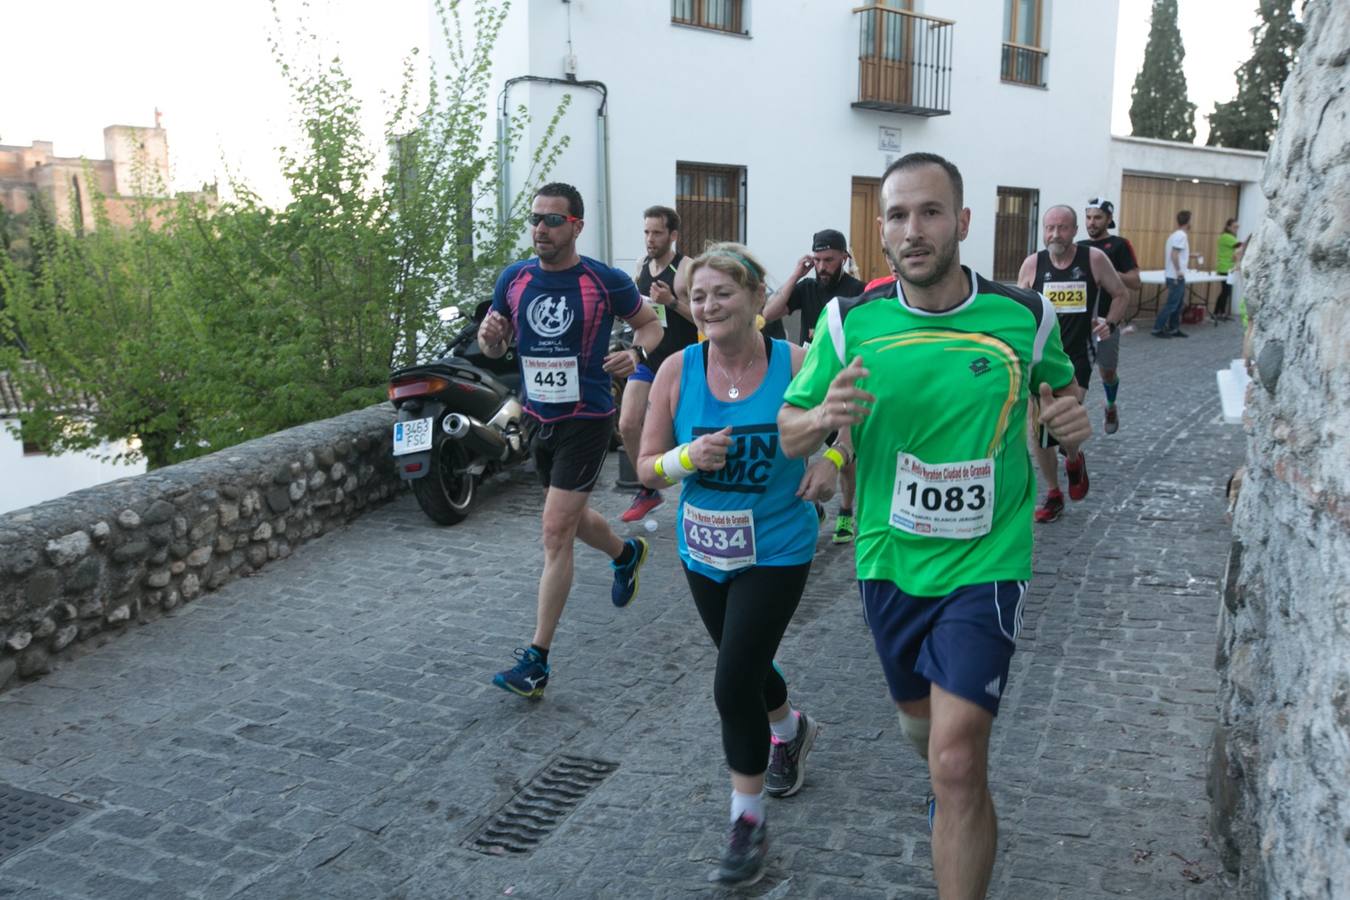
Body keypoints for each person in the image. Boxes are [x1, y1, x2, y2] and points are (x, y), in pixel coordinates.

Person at [778, 152, 1091, 900]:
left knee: (956, 763)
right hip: (889, 558)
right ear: (880, 231)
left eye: (929, 212)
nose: (912, 230)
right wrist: (823, 420)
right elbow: (790, 429)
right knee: (923, 736)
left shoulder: (1023, 314)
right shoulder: (849, 321)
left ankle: (957, 803)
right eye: (897, 215)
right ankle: (949, 789)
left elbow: (1063, 396)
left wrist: (1070, 425)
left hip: (988, 559)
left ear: (963, 222)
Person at [637, 242, 839, 886]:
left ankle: (746, 823)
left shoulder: (798, 363)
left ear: (757, 298)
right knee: (743, 664)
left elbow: (847, 426)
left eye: (723, 293)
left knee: (730, 683)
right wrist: (688, 458)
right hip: (702, 549)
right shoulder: (676, 371)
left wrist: (829, 464)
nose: (709, 305)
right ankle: (790, 727)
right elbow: (643, 468)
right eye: (698, 296)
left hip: (778, 546)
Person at [478, 182, 663, 699]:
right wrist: (491, 340)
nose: (541, 228)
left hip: (588, 418)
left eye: (553, 220)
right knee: (575, 519)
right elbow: (494, 347)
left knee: (555, 530)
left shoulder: (603, 280)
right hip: (540, 419)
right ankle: (626, 555)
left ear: (575, 225)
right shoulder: (513, 279)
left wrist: (636, 355)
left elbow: (651, 326)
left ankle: (536, 661)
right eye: (535, 219)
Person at [1018, 205, 1127, 523]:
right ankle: (1053, 493)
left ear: (1075, 229)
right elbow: (1017, 310)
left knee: (1061, 415)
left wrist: (1111, 322)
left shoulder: (1093, 260)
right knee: (1039, 427)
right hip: (1041, 357)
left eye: (1062, 228)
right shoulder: (1032, 265)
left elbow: (1120, 294)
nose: (1055, 234)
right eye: (1049, 228)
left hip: (1077, 355)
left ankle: (1074, 457)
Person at [763, 228, 868, 544]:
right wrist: (797, 273)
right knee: (800, 450)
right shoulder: (806, 287)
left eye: (830, 260)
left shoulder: (857, 292)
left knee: (844, 452)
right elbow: (767, 314)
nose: (823, 267)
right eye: (818, 260)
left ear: (844, 258)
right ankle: (810, 506)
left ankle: (846, 513)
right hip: (807, 382)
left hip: (840, 383)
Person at [618, 205, 698, 523]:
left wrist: (672, 303)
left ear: (673, 235)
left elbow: (705, 318)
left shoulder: (687, 270)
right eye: (646, 232)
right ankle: (648, 489)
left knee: (686, 434)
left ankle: (702, 496)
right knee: (626, 423)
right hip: (647, 356)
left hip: (683, 362)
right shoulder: (640, 266)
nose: (650, 239)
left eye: (657, 233)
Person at [1079, 198, 1140, 434]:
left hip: (1107, 320)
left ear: (1109, 219)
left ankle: (1111, 405)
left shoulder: (1119, 245)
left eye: (1098, 217)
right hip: (1080, 322)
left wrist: (1107, 272)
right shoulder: (1079, 247)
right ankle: (1070, 422)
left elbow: (1135, 281)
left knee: (1107, 372)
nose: (1092, 223)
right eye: (1088, 217)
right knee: (1073, 372)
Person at [1153, 210, 1192, 338]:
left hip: (1172, 274)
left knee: (1178, 304)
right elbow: (1174, 254)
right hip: (1175, 276)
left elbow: (1178, 253)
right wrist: (1179, 271)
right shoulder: (1181, 235)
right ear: (1188, 221)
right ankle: (1157, 329)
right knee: (1172, 304)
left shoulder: (1175, 235)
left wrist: (1192, 255)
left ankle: (1174, 328)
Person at [1214, 217, 1243, 321]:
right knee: (1225, 292)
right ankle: (1217, 313)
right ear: (1228, 227)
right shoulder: (1226, 236)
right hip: (1225, 267)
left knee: (1226, 292)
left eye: (1238, 227)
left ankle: (1221, 313)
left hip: (1228, 267)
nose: (1236, 229)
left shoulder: (1230, 236)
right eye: (1235, 227)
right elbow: (1239, 245)